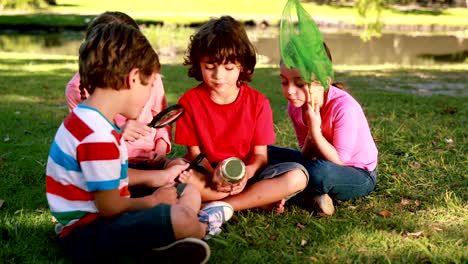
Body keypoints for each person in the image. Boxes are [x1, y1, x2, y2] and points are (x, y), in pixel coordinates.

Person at [46, 23, 229, 263]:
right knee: (180, 218)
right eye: (150, 85)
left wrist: (158, 185)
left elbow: (110, 180)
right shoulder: (98, 135)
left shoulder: (85, 118)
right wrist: (152, 201)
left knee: (189, 190)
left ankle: (159, 242)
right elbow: (109, 207)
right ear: (133, 78)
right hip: (89, 233)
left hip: (96, 223)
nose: (148, 96)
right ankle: (202, 226)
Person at [175, 15, 309, 218]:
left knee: (297, 176)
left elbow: (260, 157)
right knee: (175, 170)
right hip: (206, 172)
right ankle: (256, 200)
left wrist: (245, 175)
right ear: (198, 64)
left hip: (248, 175)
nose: (219, 75)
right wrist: (215, 177)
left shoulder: (258, 103)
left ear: (242, 66)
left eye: (228, 68)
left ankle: (217, 204)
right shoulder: (189, 102)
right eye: (210, 67)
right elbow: (195, 155)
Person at [65, 12, 183, 196]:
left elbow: (162, 117)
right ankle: (158, 188)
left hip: (150, 161)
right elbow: (86, 148)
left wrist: (160, 147)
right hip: (113, 164)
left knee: (183, 168)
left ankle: (162, 186)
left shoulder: (149, 77)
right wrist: (118, 134)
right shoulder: (77, 88)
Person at [268, 42, 378, 216]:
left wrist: (315, 132)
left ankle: (285, 189)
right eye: (284, 81)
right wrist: (311, 138)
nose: (290, 91)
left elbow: (340, 161)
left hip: (355, 173)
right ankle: (308, 195)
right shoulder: (296, 106)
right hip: (316, 161)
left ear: (325, 82)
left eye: (299, 83)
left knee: (319, 173)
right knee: (264, 153)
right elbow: (306, 155)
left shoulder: (344, 107)